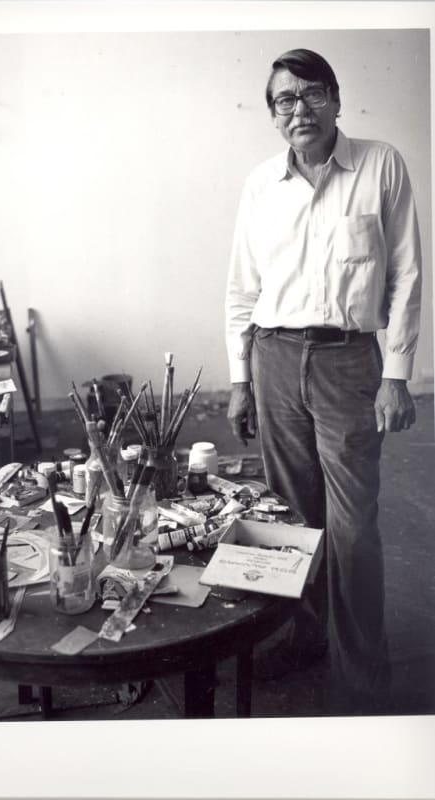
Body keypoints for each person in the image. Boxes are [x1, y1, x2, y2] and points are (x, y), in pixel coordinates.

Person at [225, 48, 422, 714]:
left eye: (310, 94)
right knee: (292, 519)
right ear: (272, 113)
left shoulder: (380, 164)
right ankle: (302, 637)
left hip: (347, 363)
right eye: (284, 99)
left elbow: (405, 278)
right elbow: (240, 288)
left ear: (336, 99)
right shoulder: (259, 184)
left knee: (352, 530)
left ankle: (362, 671)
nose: (298, 109)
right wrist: (238, 379)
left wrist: (395, 376)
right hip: (273, 361)